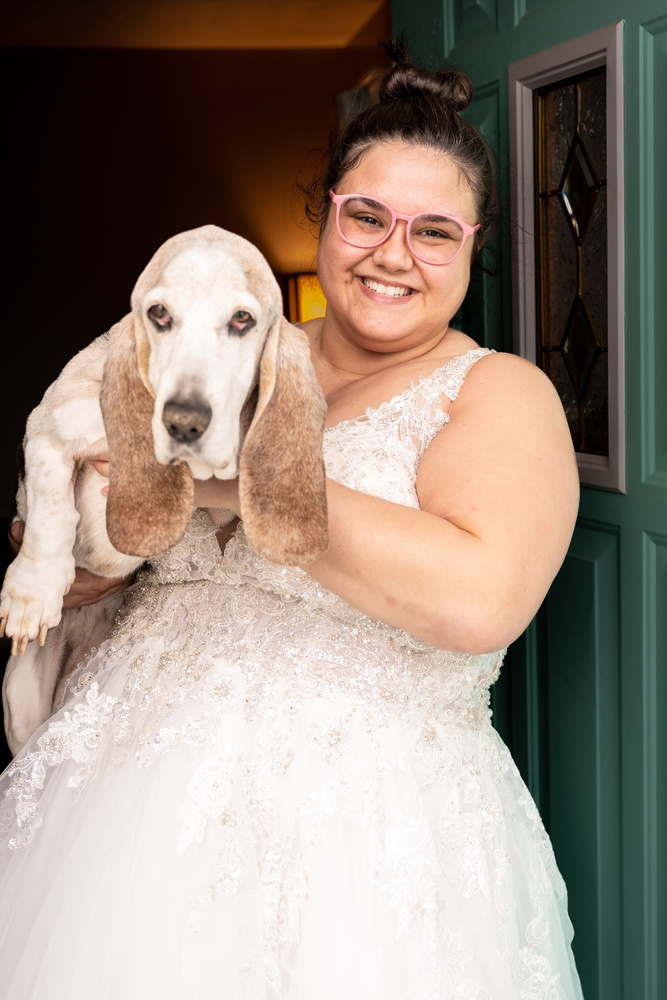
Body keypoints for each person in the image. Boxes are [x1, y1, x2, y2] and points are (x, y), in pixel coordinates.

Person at [0, 40, 583, 1000]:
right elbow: (92, 517)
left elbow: (479, 603)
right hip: (124, 806)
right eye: (366, 217)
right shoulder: (214, 342)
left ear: (473, 246)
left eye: (434, 231)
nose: (395, 253)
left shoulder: (498, 394)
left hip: (364, 835)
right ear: (324, 219)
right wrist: (74, 551)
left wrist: (228, 483)